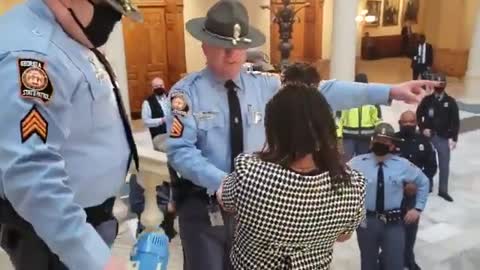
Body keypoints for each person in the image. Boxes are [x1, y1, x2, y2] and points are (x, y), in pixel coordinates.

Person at [165, 1, 438, 270]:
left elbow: (322, 91)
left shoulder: (264, 85)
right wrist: (224, 183)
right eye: (224, 47)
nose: (232, 54)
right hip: (206, 206)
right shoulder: (186, 94)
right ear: (204, 46)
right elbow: (180, 151)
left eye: (239, 46)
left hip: (261, 206)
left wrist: (388, 92)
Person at [0, 0, 142, 269]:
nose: (112, 19)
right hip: (55, 238)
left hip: (84, 222)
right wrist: (93, 258)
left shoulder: (68, 31)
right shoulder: (33, 54)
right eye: (106, 6)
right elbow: (30, 175)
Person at [216, 83, 366, 269]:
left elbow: (226, 201)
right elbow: (344, 236)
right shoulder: (352, 185)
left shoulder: (249, 173)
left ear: (274, 130)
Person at [349, 123, 429, 270]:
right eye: (378, 140)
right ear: (372, 142)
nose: (381, 144)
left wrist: (417, 208)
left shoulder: (403, 165)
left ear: (392, 146)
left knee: (395, 263)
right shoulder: (356, 163)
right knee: (368, 262)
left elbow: (424, 182)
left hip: (393, 223)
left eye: (385, 142)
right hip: (367, 222)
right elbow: (340, 183)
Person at [395, 110, 437, 270]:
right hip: (393, 193)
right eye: (405, 123)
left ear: (416, 123)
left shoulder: (424, 142)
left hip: (413, 195)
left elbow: (432, 167)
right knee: (392, 229)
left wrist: (417, 184)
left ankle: (408, 259)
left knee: (411, 228)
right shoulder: (392, 140)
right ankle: (388, 258)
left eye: (411, 122)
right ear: (399, 123)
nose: (408, 125)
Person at [417, 73, 459, 202]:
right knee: (425, 161)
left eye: (441, 84)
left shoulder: (450, 102)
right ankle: (426, 185)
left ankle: (443, 190)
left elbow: (455, 121)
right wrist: (423, 128)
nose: (439, 86)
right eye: (437, 84)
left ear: (445, 85)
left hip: (443, 136)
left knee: (444, 164)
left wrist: (454, 138)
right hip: (428, 136)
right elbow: (419, 114)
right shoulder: (427, 100)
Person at [341, 73, 382, 161]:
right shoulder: (346, 98)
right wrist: (338, 137)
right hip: (348, 137)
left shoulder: (372, 99)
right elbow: (339, 119)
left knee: (363, 162)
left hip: (365, 137)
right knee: (346, 162)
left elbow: (378, 120)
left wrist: (376, 137)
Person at [141, 77, 169, 149]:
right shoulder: (147, 102)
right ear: (152, 88)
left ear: (164, 86)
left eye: (161, 85)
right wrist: (161, 120)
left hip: (176, 133)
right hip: (159, 136)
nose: (159, 88)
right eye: (156, 86)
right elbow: (145, 121)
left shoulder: (171, 98)